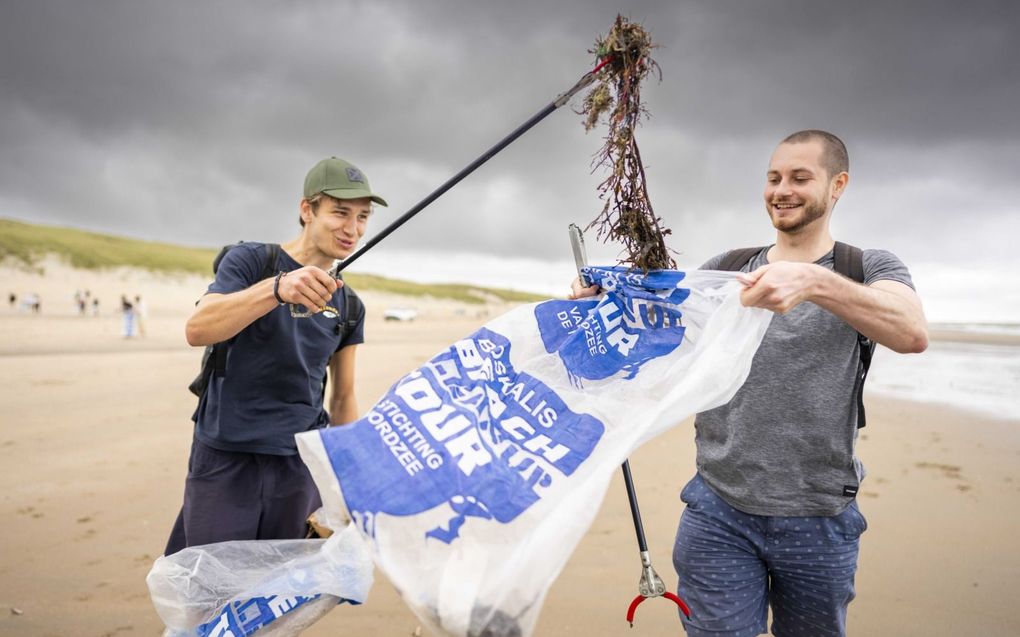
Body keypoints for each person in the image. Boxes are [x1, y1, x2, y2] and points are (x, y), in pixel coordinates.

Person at [570, 130, 928, 637]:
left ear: (838, 184)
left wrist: (813, 282)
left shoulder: (865, 267)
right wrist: (600, 307)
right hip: (718, 511)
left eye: (801, 178)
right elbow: (654, 336)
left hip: (819, 516)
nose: (782, 190)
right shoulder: (729, 269)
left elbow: (911, 332)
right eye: (774, 178)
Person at [163, 157, 386, 556]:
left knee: (276, 594)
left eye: (363, 217)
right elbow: (198, 329)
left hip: (298, 467)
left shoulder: (350, 305)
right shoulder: (252, 262)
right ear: (307, 210)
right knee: (207, 592)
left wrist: (345, 477)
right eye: (340, 213)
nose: (352, 229)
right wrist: (279, 288)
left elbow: (342, 396)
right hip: (226, 456)